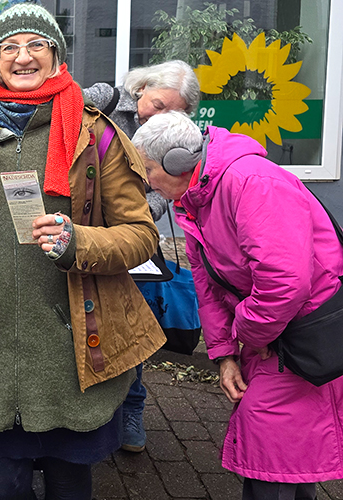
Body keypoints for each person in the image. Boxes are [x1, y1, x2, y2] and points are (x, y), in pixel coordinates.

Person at [0, 1, 167, 500]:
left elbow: (140, 234)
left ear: (57, 55)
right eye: (9, 47)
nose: (23, 57)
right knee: (1, 488)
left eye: (36, 44)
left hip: (73, 355)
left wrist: (78, 242)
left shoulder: (96, 135)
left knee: (70, 485)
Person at [132, 110, 343, 500]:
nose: (146, 182)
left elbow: (284, 283)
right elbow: (206, 284)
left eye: (147, 169)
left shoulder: (253, 183)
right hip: (273, 331)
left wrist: (248, 334)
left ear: (178, 162)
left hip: (302, 335)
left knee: (274, 450)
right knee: (284, 454)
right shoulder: (195, 198)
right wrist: (225, 353)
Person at [82, 59, 200, 452]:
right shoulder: (105, 100)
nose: (160, 115)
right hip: (85, 234)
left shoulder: (175, 137)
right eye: (159, 105)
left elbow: (166, 194)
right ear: (142, 88)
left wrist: (130, 217)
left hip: (134, 245)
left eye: (173, 112)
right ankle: (91, 413)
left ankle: (131, 410)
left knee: (131, 328)